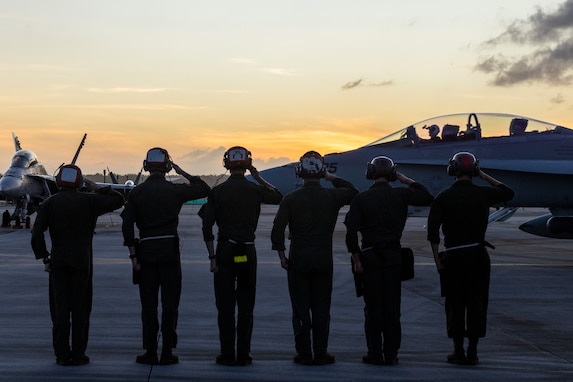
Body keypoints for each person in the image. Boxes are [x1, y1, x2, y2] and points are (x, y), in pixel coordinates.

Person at [121, 147, 210, 366]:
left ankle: (150, 352)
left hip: (146, 253)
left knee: (148, 305)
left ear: (146, 166)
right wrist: (183, 172)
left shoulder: (137, 193)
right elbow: (204, 189)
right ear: (167, 166)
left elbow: (126, 226)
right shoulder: (174, 190)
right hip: (169, 250)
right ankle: (167, 351)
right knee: (170, 304)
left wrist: (133, 255)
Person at [31, 164, 124, 366]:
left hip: (58, 262)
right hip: (82, 261)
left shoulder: (50, 203)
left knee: (60, 309)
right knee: (81, 309)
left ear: (58, 181)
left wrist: (45, 258)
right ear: (79, 181)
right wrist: (97, 187)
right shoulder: (89, 201)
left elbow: (37, 233)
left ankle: (62, 354)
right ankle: (79, 353)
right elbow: (118, 200)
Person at [344, 156, 434, 365]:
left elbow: (351, 233)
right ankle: (391, 354)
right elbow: (426, 197)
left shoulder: (361, 199)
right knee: (392, 307)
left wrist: (356, 258)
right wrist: (405, 180)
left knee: (373, 307)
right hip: (394, 258)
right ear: (392, 174)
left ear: (370, 173)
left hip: (369, 258)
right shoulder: (401, 195)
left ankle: (374, 353)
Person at [271, 151, 358, 366]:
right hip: (323, 258)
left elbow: (277, 230)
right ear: (321, 172)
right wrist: (331, 178)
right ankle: (321, 352)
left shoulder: (290, 199)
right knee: (321, 308)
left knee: (300, 307)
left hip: (298, 257)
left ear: (299, 172)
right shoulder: (332, 196)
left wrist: (282, 255)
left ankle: (303, 353)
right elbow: (353, 191)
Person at [427, 151, 514, 365]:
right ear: (473, 170)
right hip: (478, 256)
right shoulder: (483, 194)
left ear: (452, 170)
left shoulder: (444, 196)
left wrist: (438, 260)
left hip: (454, 257)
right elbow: (507, 192)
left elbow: (432, 232)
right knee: (477, 303)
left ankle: (458, 351)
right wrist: (483, 175)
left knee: (455, 304)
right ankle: (473, 352)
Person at [199, 146, 283, 366]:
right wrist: (259, 178)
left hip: (225, 251)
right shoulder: (255, 190)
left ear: (226, 165)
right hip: (246, 250)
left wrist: (212, 258)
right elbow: (278, 196)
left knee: (225, 306)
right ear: (248, 165)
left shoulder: (217, 192)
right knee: (246, 305)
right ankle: (244, 354)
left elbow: (207, 227)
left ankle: (227, 354)